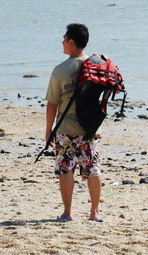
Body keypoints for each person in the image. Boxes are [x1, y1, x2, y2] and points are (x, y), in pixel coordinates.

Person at [45, 23, 103, 222]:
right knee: (93, 168)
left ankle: (68, 213)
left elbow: (52, 104)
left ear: (71, 42)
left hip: (66, 128)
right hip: (89, 127)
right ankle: (94, 213)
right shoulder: (96, 64)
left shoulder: (60, 70)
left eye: (64, 39)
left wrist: (48, 130)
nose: (62, 42)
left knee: (66, 168)